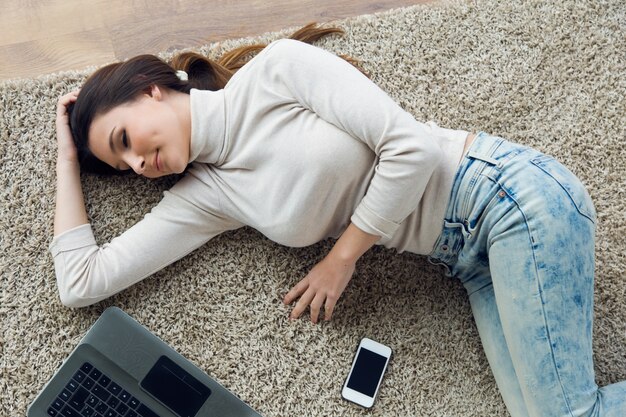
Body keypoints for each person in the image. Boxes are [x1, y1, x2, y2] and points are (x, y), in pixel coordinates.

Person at [52, 23, 624, 417]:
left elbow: (413, 149)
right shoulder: (208, 197)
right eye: (123, 165)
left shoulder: (276, 71)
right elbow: (82, 282)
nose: (137, 164)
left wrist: (339, 259)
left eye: (125, 139)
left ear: (149, 90)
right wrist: (67, 159)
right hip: (468, 262)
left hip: (506, 196)